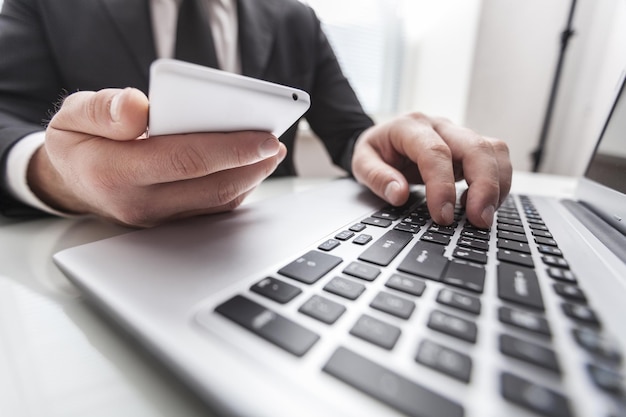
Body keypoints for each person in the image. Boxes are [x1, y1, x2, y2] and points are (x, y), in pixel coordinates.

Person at [0, 0, 511, 229]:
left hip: (261, 246)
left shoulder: (296, 20)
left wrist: (386, 143)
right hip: (87, 254)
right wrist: (59, 176)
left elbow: (351, 132)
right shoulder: (46, 4)